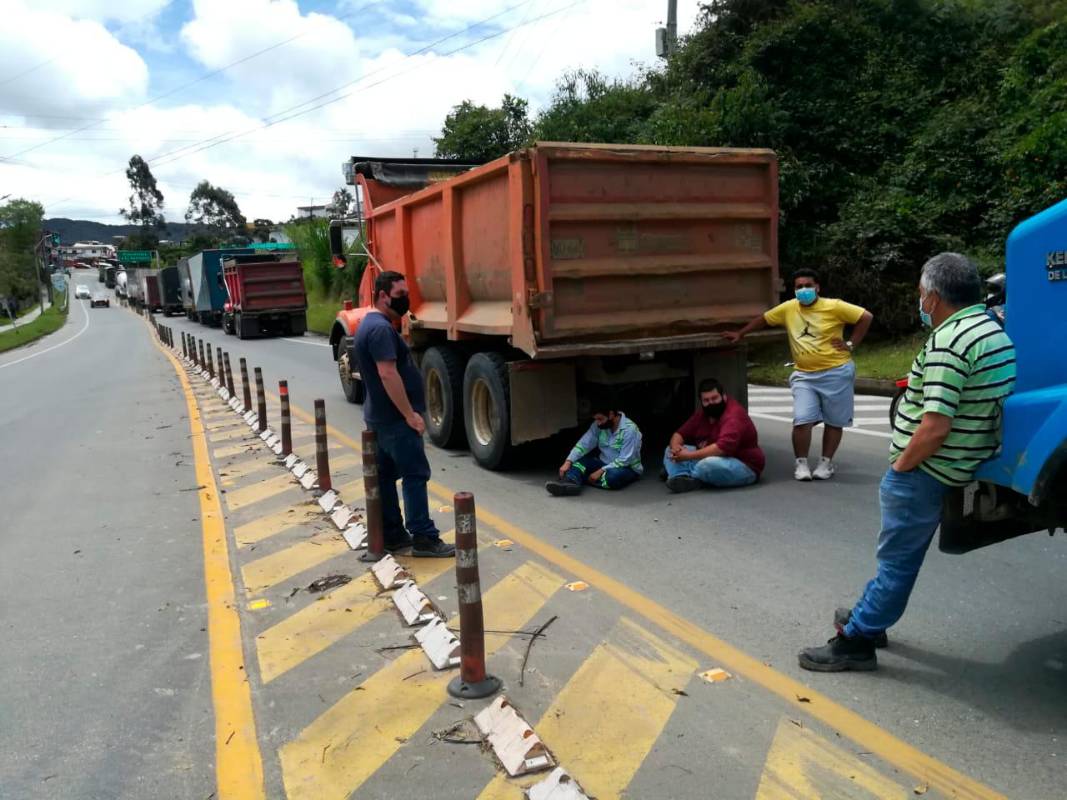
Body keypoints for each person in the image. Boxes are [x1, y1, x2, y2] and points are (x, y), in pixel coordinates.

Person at [798, 253, 1016, 672]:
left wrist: (901, 469)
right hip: (955, 465)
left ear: (933, 298)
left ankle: (858, 642)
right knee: (894, 559)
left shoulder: (950, 343)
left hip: (926, 471)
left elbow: (934, 427)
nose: (920, 303)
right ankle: (869, 617)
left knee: (897, 562)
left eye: (920, 295)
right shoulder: (991, 327)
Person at [723, 269, 873, 481]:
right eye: (798, 286)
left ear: (817, 287)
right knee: (802, 420)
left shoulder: (834, 306)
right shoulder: (789, 308)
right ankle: (801, 464)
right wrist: (741, 333)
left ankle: (825, 463)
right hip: (804, 375)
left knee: (834, 421)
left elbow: (865, 316)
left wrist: (850, 344)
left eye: (807, 285)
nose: (803, 290)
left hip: (836, 372)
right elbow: (764, 319)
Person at [352, 270, 455, 557]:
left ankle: (394, 534)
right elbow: (387, 373)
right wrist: (410, 414)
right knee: (415, 474)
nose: (405, 299)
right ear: (383, 295)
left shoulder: (368, 325)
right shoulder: (382, 330)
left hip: (379, 417)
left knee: (385, 477)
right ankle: (424, 537)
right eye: (399, 295)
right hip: (395, 420)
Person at [662, 378, 765, 493]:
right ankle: (680, 478)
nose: (711, 403)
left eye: (714, 398)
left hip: (744, 465)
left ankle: (682, 473)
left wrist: (687, 456)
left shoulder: (733, 416)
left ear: (724, 397)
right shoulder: (703, 414)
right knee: (669, 450)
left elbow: (721, 449)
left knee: (706, 465)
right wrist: (676, 448)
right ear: (701, 401)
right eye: (706, 400)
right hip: (716, 457)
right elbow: (679, 434)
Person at [545, 401, 643, 496]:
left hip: (627, 467)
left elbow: (625, 459)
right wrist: (568, 461)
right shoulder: (598, 425)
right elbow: (584, 444)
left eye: (600, 419)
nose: (598, 423)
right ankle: (572, 483)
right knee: (579, 462)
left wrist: (600, 471)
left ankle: (576, 479)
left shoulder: (630, 430)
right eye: (596, 419)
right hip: (603, 462)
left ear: (611, 414)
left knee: (613, 477)